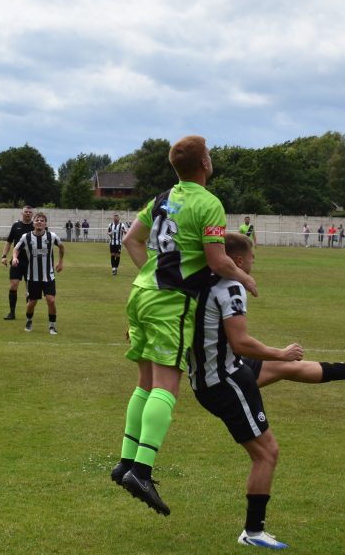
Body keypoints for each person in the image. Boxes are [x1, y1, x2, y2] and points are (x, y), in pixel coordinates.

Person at [190, 232, 345, 548]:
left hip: (222, 370)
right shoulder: (233, 286)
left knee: (288, 369)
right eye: (252, 257)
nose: (254, 263)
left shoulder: (201, 279)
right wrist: (280, 351)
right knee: (267, 452)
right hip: (223, 381)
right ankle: (252, 532)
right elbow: (241, 342)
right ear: (238, 261)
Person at [111, 135, 258, 517]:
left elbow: (131, 240)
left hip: (140, 293)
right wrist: (247, 280)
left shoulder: (162, 198)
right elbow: (218, 258)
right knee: (167, 385)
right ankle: (142, 471)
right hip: (168, 302)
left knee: (145, 382)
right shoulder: (208, 203)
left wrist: (152, 270)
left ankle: (126, 461)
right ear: (205, 163)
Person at [11, 212, 64, 335]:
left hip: (48, 276)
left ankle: (52, 326)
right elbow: (16, 248)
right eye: (37, 220)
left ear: (45, 224)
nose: (39, 222)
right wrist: (14, 258)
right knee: (32, 303)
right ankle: (29, 320)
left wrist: (60, 262)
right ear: (33, 223)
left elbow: (61, 247)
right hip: (33, 277)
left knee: (51, 300)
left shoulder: (52, 236)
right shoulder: (26, 237)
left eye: (42, 220)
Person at [0, 206, 34, 320]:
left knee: (30, 289)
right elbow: (9, 241)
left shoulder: (36, 226)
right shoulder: (16, 226)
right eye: (26, 212)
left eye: (30, 212)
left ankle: (28, 314)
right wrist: (4, 256)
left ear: (32, 214)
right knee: (13, 285)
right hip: (16, 261)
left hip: (31, 262)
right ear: (22, 213)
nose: (28, 214)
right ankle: (12, 313)